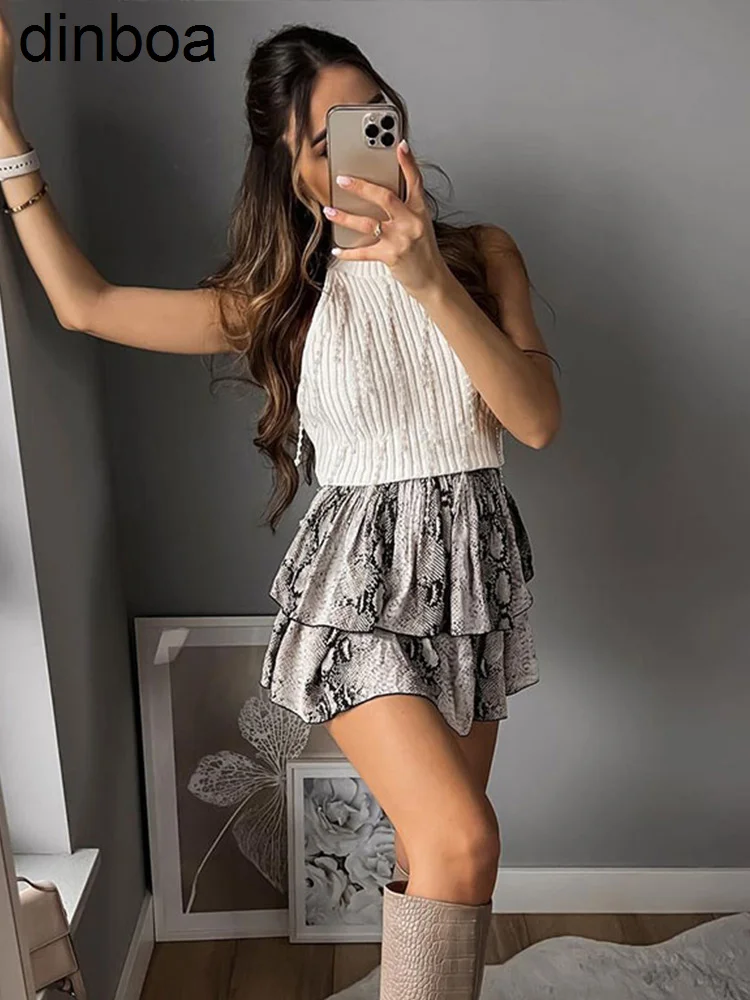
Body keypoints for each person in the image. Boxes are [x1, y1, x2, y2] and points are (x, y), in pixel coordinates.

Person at [0, 18, 561, 1000]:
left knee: (435, 851)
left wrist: (428, 277)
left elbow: (536, 419)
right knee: (465, 841)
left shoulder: (483, 255)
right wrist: (6, 133)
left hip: (471, 581)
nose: (364, 144)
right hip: (356, 595)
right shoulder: (280, 299)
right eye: (325, 138)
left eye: (372, 116)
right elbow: (86, 304)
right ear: (292, 170)